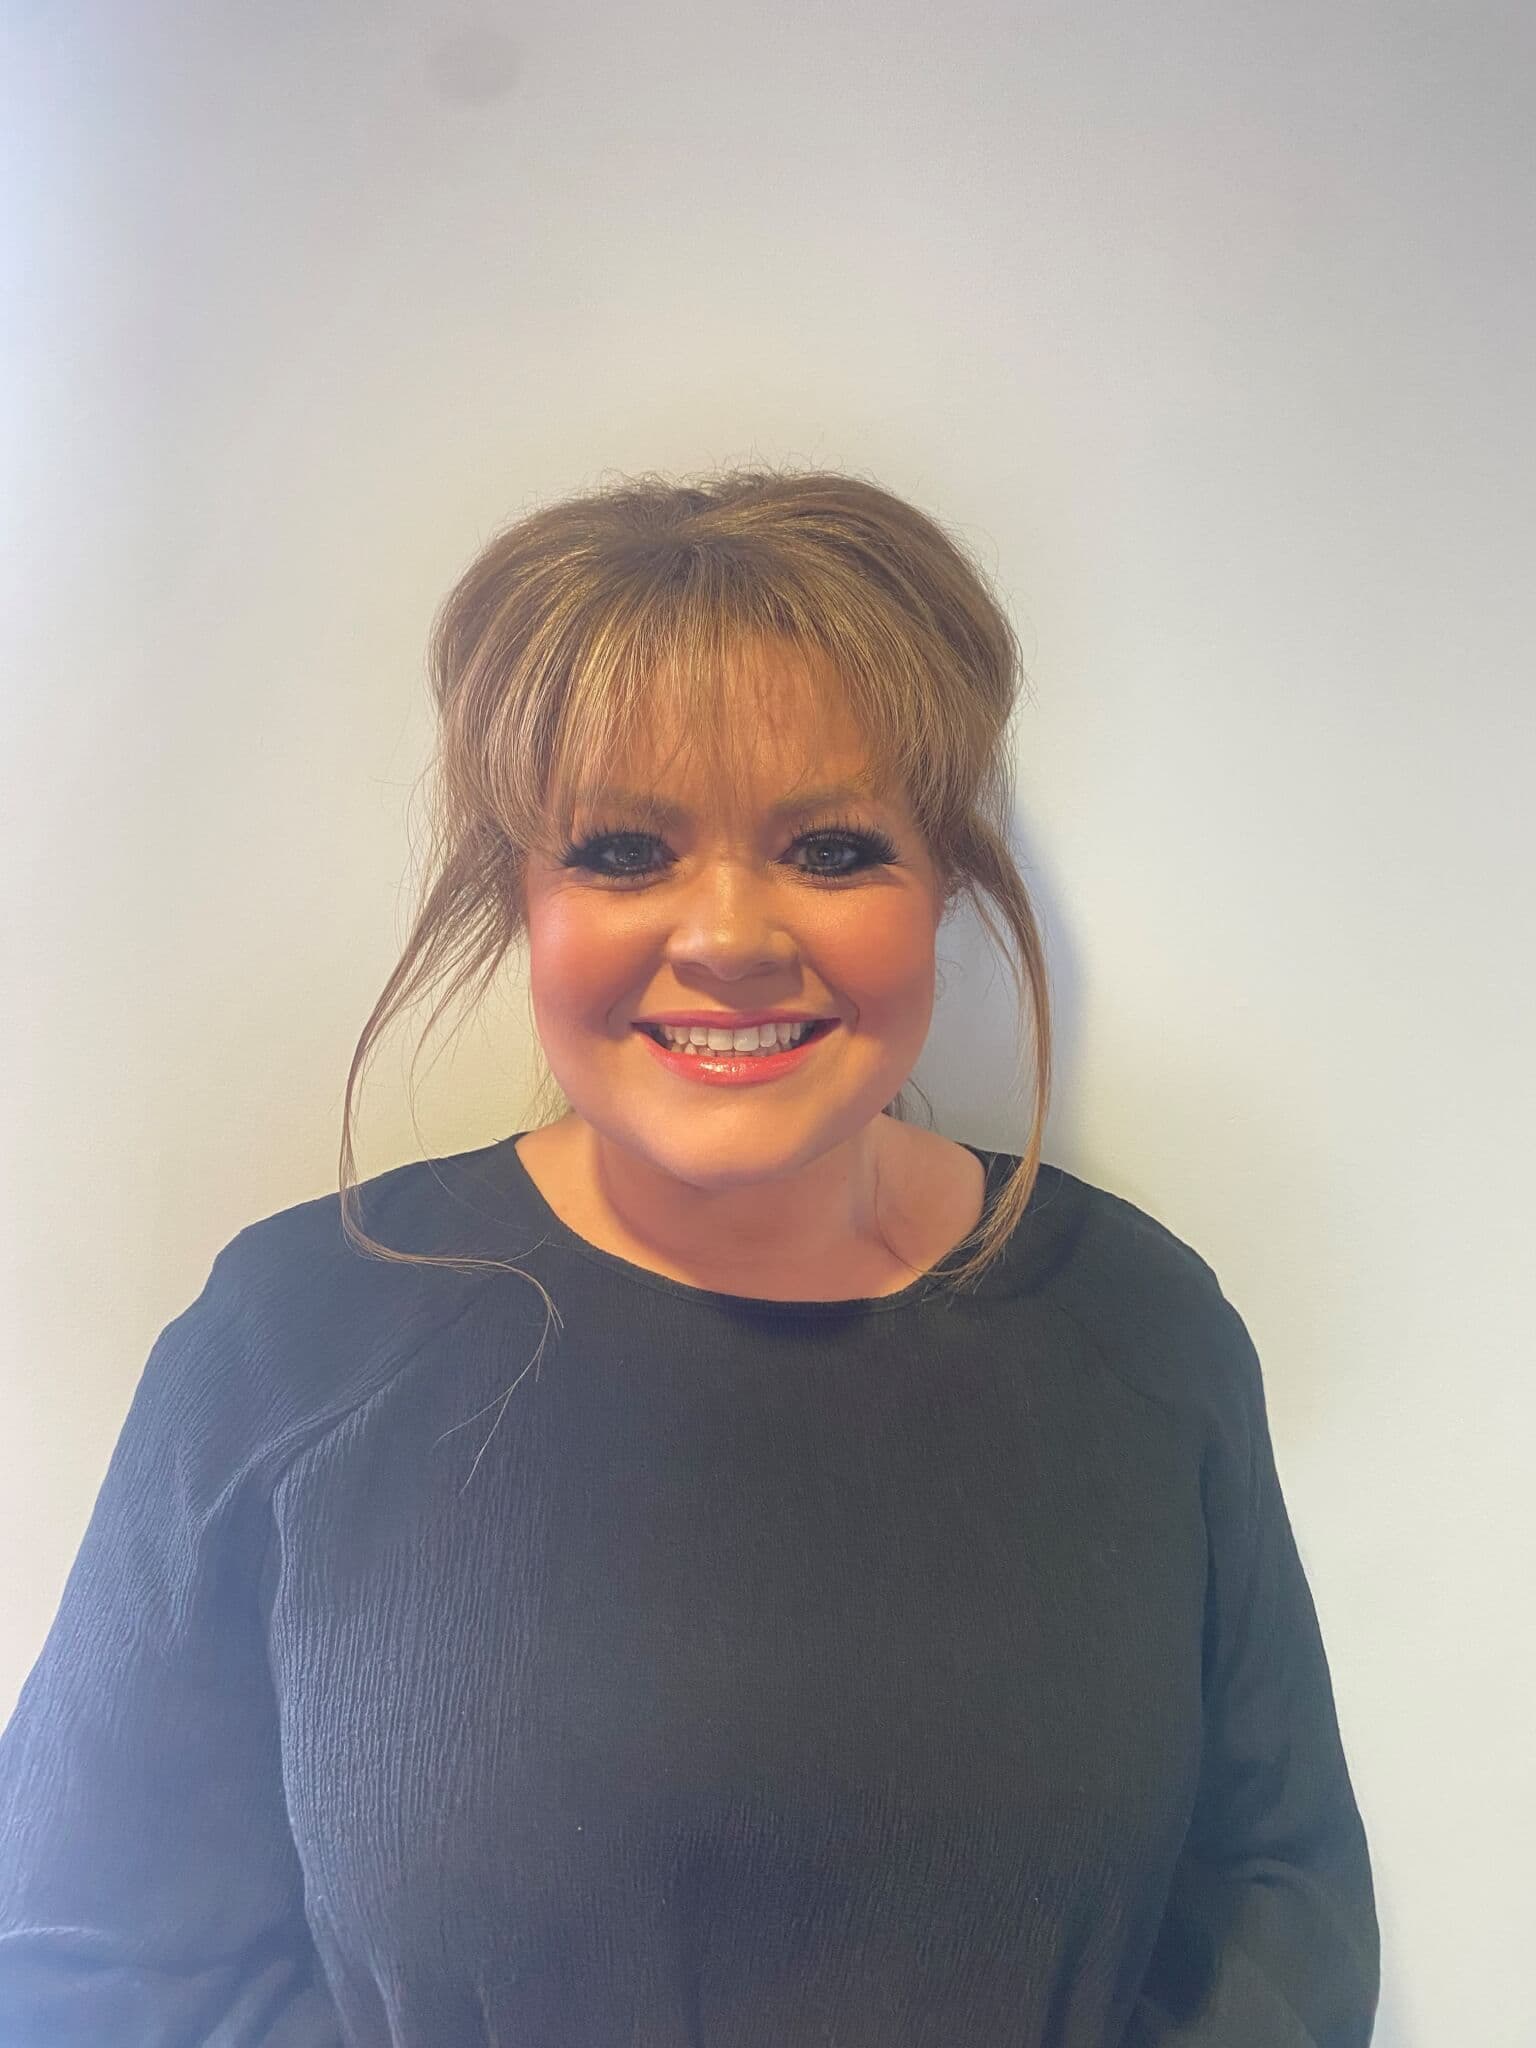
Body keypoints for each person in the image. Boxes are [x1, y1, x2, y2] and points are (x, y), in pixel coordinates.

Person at [0, 466, 1380, 2045]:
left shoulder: (1139, 1325)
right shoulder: (295, 1339)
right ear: (518, 896)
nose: (728, 933)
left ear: (945, 886)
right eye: (627, 849)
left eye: (836, 846)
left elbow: (1280, 1918)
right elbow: (84, 1959)